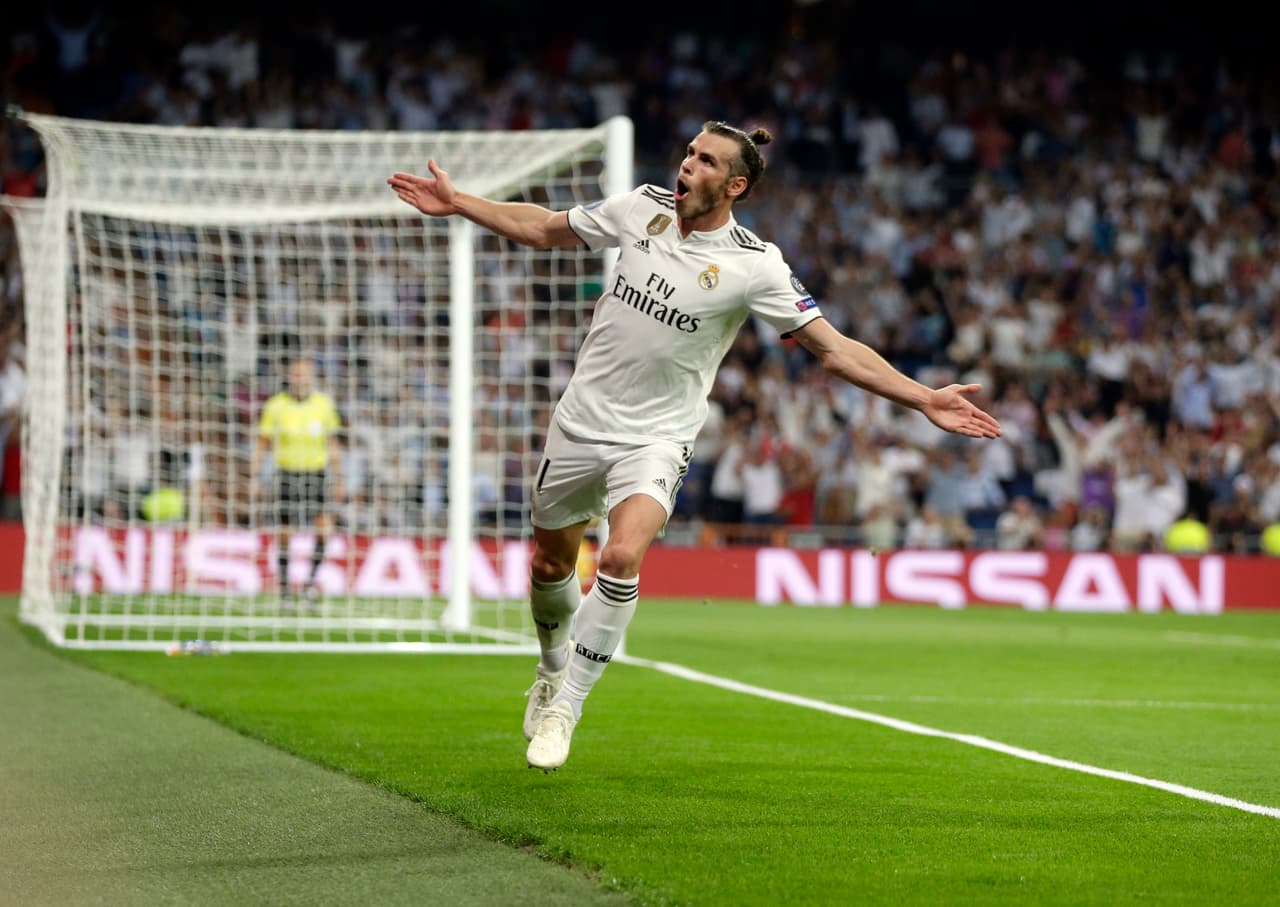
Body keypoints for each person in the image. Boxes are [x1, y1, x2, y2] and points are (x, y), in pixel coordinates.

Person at [389, 121, 1002, 771]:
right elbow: (544, 226)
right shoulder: (642, 208)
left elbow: (834, 348)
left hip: (657, 438)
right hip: (579, 424)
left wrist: (923, 397)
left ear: (735, 184)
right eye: (688, 152)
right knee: (548, 566)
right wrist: (461, 202)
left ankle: (566, 704)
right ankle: (550, 667)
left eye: (705, 161)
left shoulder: (754, 265)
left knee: (621, 555)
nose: (687, 164)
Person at [251, 356, 344, 609]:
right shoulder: (276, 406)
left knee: (325, 528)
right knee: (284, 533)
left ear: (311, 376)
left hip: (316, 473)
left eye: (304, 373)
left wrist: (339, 478)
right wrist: (255, 475)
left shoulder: (323, 405)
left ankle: (310, 586)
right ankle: (284, 590)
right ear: (289, 376)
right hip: (286, 473)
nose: (300, 377)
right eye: (296, 373)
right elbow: (263, 442)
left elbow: (332, 443)